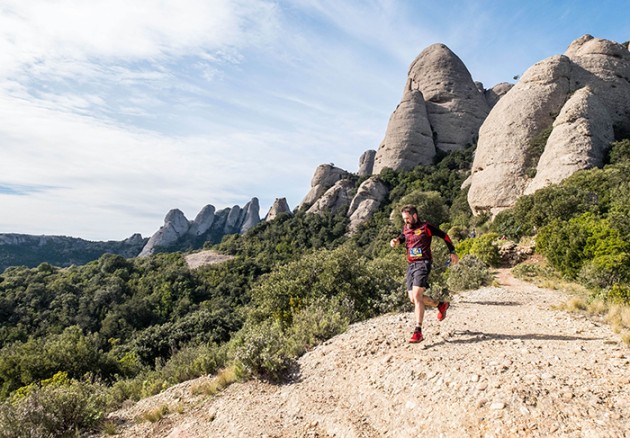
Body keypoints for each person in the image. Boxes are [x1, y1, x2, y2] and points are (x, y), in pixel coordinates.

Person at [390, 205, 459, 343]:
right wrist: (396, 240)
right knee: (413, 299)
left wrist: (452, 251)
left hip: (423, 263)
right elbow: (404, 236)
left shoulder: (426, 227)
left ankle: (418, 331)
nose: (406, 221)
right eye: (404, 219)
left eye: (408, 218)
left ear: (415, 216)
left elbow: (444, 235)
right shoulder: (406, 228)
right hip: (411, 266)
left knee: (417, 295)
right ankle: (440, 305)